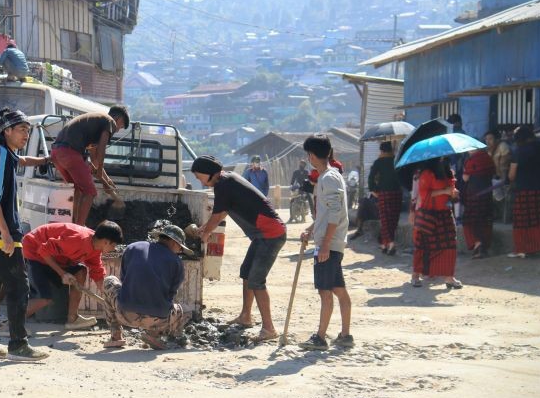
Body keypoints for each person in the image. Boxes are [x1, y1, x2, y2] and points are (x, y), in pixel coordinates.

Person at [0, 107, 49, 362]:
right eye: (22, 129)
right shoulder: (1, 155)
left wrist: (45, 160)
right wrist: (5, 234)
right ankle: (18, 345)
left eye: (28, 130)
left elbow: (22, 161)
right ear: (7, 131)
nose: (26, 134)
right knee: (18, 286)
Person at [191, 155, 286, 342]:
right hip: (262, 235)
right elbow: (222, 211)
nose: (197, 180)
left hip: (270, 234)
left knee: (256, 281)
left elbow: (218, 217)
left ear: (208, 173)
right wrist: (205, 229)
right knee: (246, 273)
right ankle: (246, 316)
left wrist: (203, 235)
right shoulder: (227, 180)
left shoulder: (224, 185)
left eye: (197, 175)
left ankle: (269, 328)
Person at [298, 134, 353, 351]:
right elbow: (325, 213)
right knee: (338, 289)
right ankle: (345, 335)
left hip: (330, 243)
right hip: (330, 241)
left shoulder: (329, 177)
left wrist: (325, 245)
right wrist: (311, 230)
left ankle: (320, 337)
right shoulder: (328, 176)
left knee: (325, 291)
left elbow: (335, 213)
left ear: (311, 156)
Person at [101, 224, 192, 350]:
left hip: (125, 314)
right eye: (180, 248)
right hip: (158, 320)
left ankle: (116, 335)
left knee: (109, 280)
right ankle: (154, 335)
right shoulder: (176, 262)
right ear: (173, 242)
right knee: (186, 311)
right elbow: (171, 295)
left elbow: (124, 279)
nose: (180, 251)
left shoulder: (133, 247)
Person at [21, 221, 123, 330]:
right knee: (44, 298)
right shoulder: (77, 240)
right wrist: (62, 274)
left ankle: (72, 319)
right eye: (114, 245)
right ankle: (12, 325)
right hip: (34, 251)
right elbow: (44, 250)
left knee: (80, 272)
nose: (115, 249)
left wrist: (109, 298)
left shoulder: (95, 247)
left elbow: (97, 272)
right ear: (106, 242)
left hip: (53, 257)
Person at [50, 106, 130, 226]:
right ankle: (80, 226)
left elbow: (94, 159)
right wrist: (102, 176)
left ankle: (73, 224)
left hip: (57, 153)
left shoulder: (96, 123)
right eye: (121, 125)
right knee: (90, 192)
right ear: (117, 118)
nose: (118, 130)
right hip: (70, 152)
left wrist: (106, 180)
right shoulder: (110, 121)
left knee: (77, 189)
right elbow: (102, 149)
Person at [410, 157, 462, 289]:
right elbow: (424, 194)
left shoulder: (448, 172)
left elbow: (450, 190)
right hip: (429, 214)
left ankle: (449, 277)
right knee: (423, 246)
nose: (444, 158)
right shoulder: (426, 173)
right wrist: (445, 191)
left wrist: (453, 193)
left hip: (445, 213)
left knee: (450, 245)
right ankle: (415, 276)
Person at [508, 126, 540, 258]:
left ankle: (522, 249)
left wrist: (509, 180)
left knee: (522, 220)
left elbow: (512, 174)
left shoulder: (519, 151)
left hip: (524, 190)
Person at [368, 141, 402, 255]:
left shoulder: (378, 162)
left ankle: (390, 243)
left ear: (381, 151)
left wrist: (373, 190)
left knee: (385, 219)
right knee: (393, 219)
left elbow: (371, 177)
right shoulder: (397, 161)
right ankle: (384, 244)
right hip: (397, 193)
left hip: (384, 193)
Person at [462, 145, 496, 258]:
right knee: (484, 219)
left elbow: (465, 178)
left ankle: (478, 244)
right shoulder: (488, 158)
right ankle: (483, 246)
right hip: (487, 192)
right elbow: (493, 172)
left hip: (474, 194)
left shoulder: (471, 161)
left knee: (471, 219)